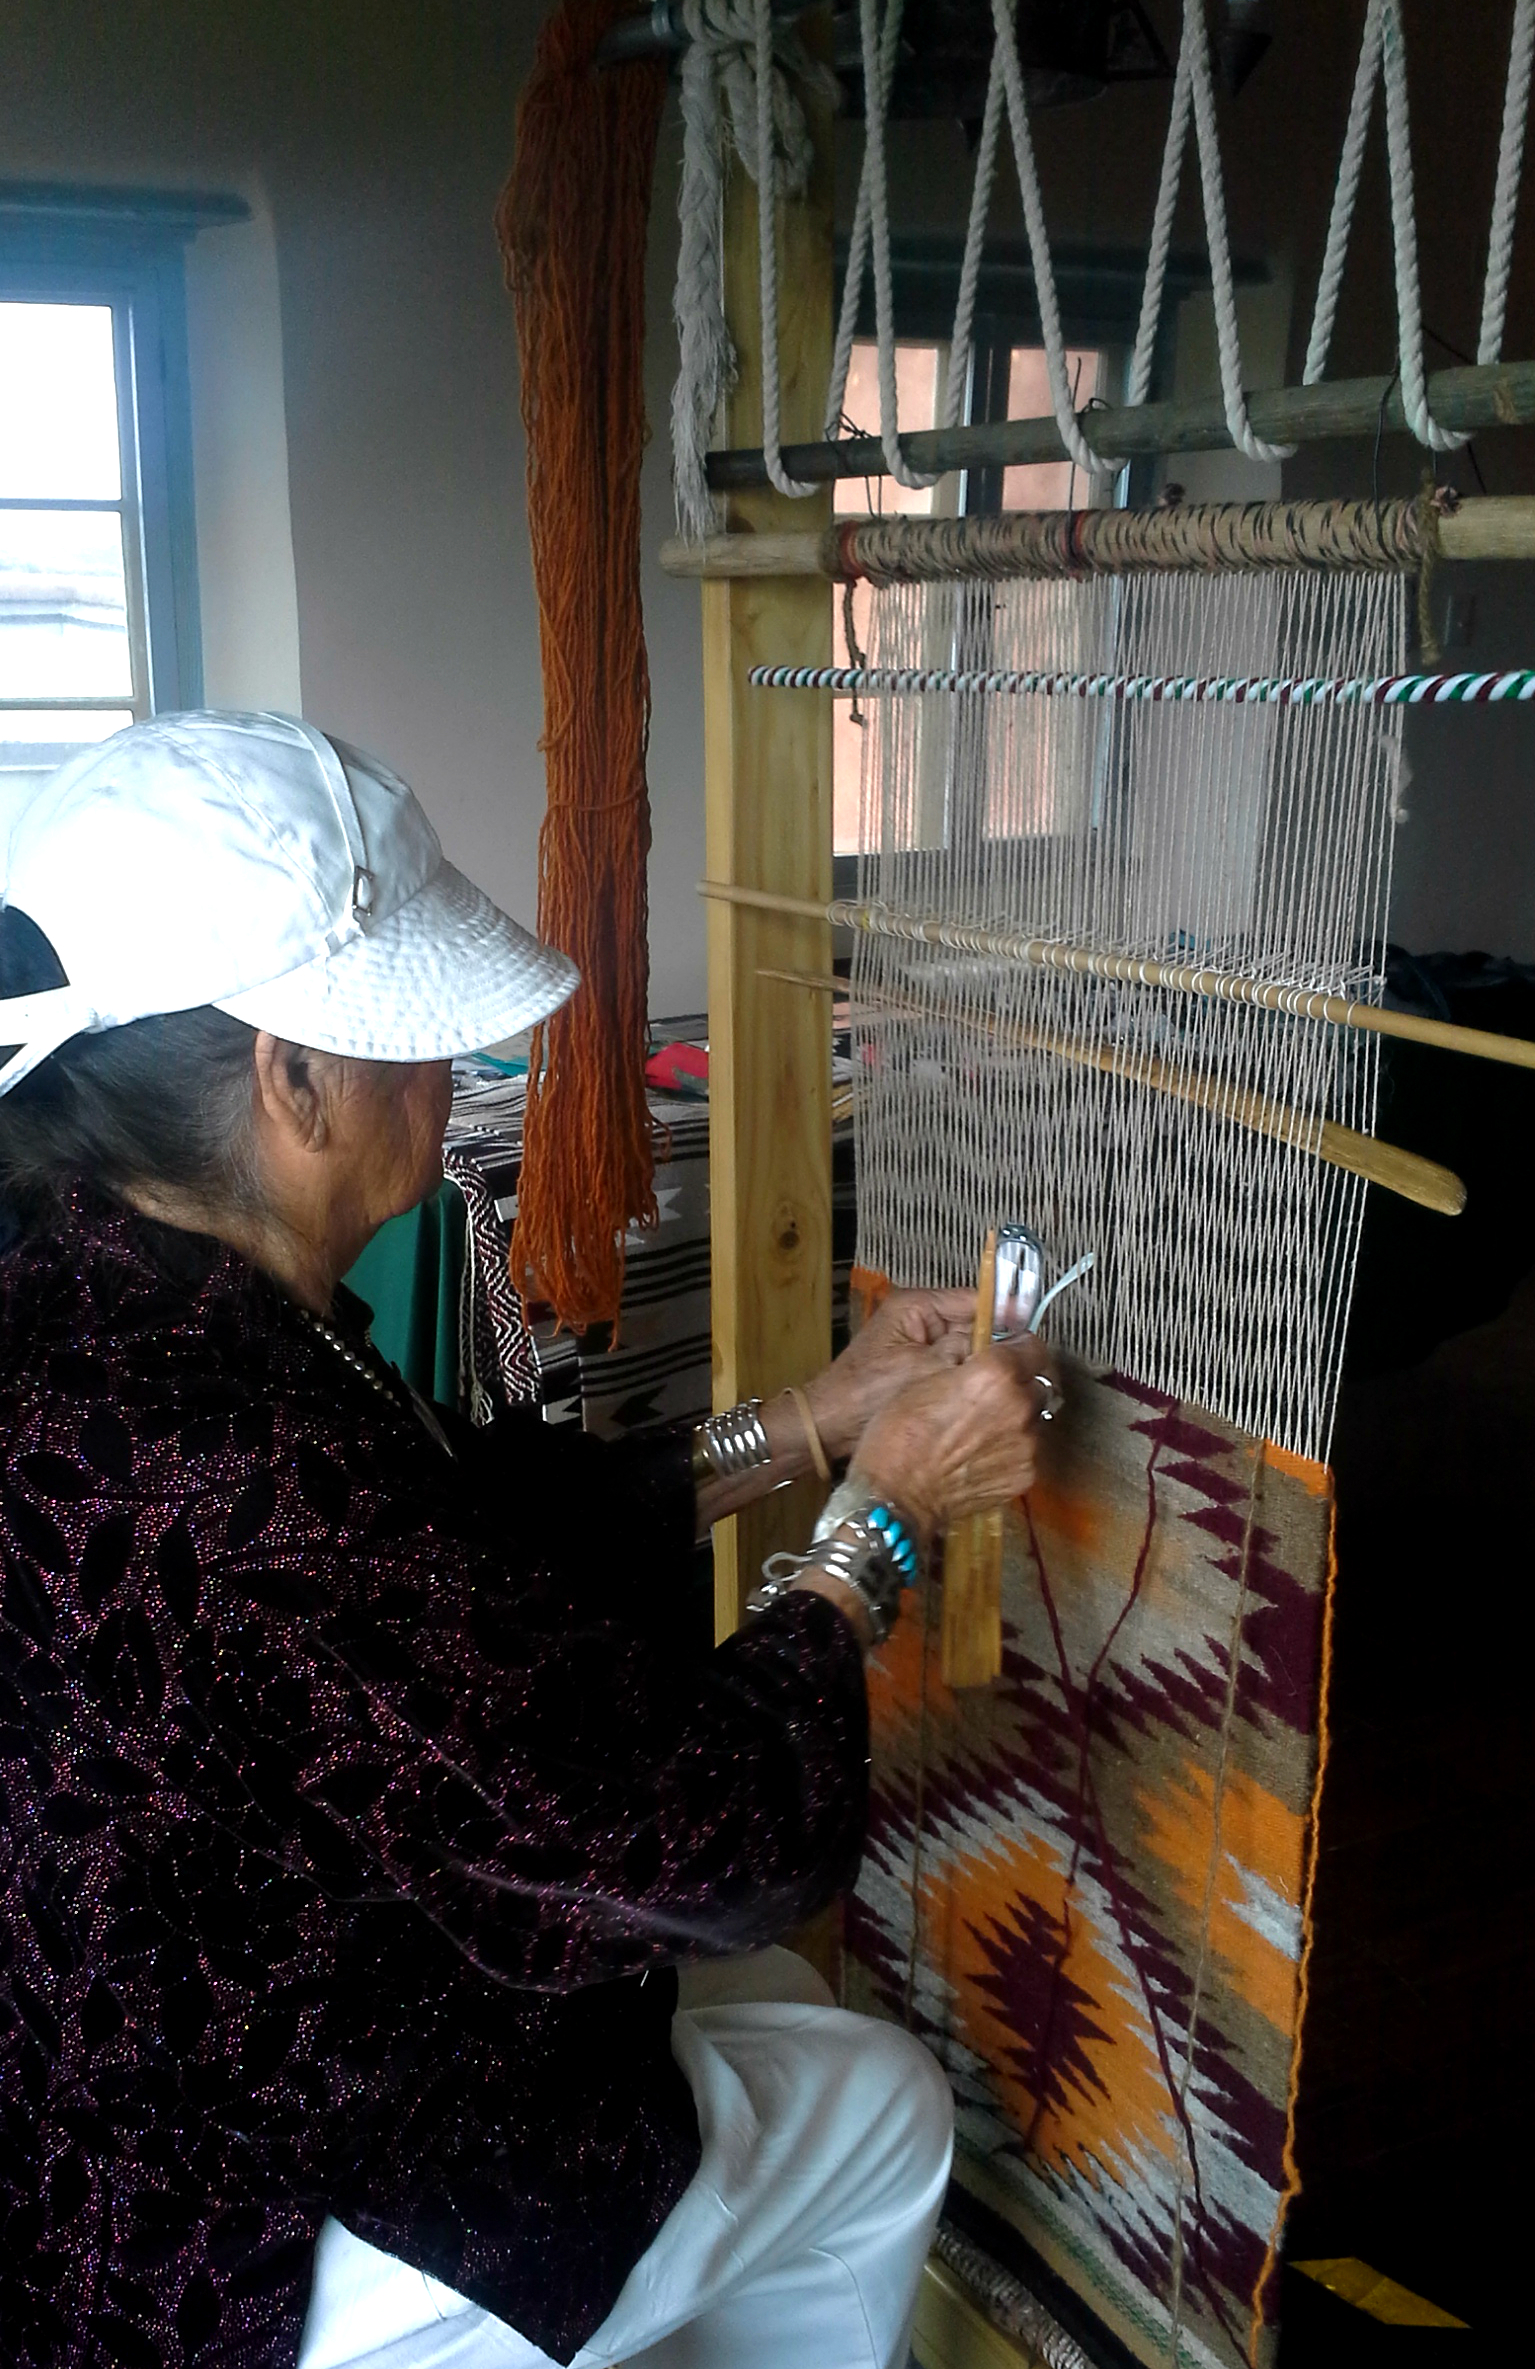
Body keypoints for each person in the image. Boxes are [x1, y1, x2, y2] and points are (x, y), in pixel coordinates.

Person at [0, 712, 1047, 2369]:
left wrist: (813, 1416)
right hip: (224, 2239)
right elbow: (719, 1838)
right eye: (413, 1032)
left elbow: (456, 1535)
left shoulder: (93, 1294)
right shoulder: (235, 1461)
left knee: (765, 2002)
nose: (452, 1072)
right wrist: (881, 1525)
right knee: (880, 2099)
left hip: (112, 2106)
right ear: (292, 1075)